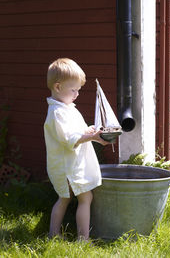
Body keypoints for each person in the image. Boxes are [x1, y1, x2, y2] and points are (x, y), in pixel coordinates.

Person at [44, 58, 108, 241]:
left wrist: (87, 130)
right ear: (58, 87)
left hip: (70, 164)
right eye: (73, 90)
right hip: (68, 166)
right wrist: (93, 137)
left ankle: (53, 234)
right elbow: (69, 139)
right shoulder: (58, 113)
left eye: (78, 90)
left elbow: (75, 131)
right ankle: (83, 238)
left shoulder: (67, 108)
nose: (77, 94)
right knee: (85, 198)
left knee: (65, 198)